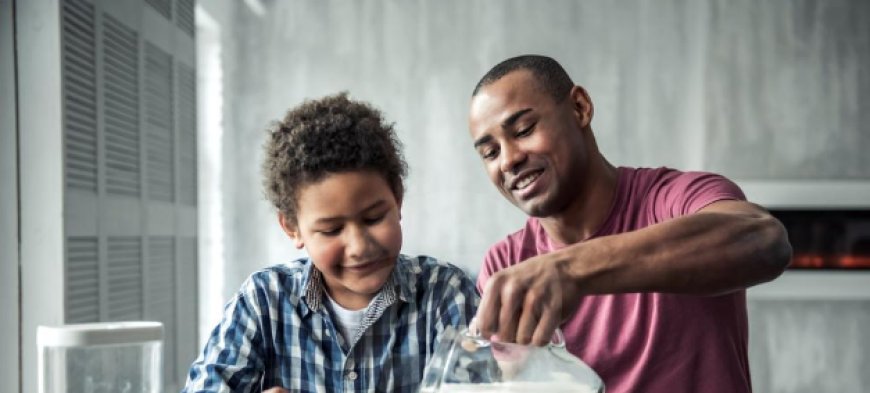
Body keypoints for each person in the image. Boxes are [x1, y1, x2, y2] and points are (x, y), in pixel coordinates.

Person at [467, 55, 792, 393]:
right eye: (490, 153)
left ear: (579, 107)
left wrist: (571, 271)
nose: (509, 159)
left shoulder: (677, 200)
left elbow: (766, 240)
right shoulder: (505, 265)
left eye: (524, 130)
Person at [183, 93, 479, 392]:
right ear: (292, 227)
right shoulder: (263, 301)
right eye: (332, 230)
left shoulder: (445, 294)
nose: (359, 246)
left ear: (397, 199)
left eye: (374, 218)